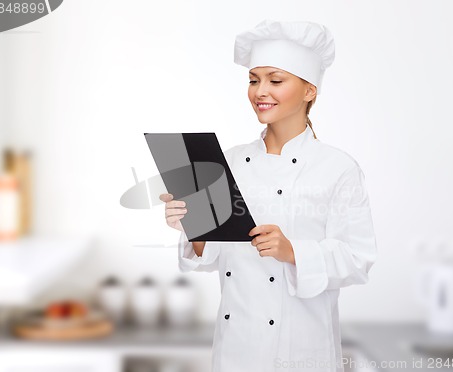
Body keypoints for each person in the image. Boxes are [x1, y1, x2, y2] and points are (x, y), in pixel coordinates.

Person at [159, 20, 377, 372]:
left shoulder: (338, 168)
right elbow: (212, 255)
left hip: (302, 353)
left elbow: (358, 259)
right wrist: (193, 226)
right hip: (235, 352)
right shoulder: (226, 162)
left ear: (310, 90)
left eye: (275, 80)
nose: (260, 91)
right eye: (254, 79)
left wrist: (293, 251)